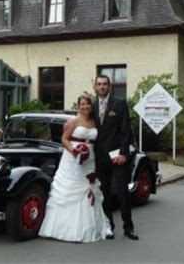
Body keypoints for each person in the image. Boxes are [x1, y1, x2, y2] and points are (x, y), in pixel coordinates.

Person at [39, 94, 112, 242]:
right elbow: (64, 138)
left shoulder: (94, 121)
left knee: (89, 188)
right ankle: (62, 228)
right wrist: (74, 151)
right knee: (69, 190)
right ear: (79, 106)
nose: (85, 107)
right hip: (72, 158)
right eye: (82, 104)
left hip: (89, 158)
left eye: (88, 104)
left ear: (92, 106)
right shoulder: (73, 121)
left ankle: (90, 227)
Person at [93, 74, 139, 240]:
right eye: (99, 84)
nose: (102, 87)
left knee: (122, 193)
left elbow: (126, 130)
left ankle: (129, 227)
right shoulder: (92, 106)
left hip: (118, 156)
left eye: (105, 84)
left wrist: (124, 154)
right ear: (95, 87)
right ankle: (109, 226)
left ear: (109, 86)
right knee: (104, 192)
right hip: (100, 158)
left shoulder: (119, 104)